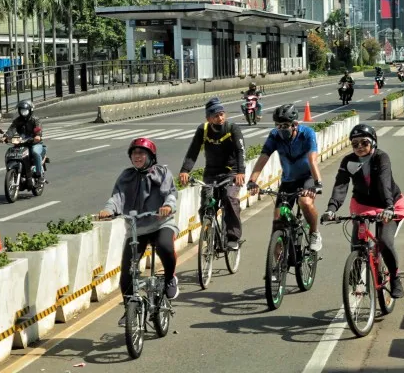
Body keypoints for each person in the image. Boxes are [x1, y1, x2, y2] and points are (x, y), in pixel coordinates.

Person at [321, 124, 404, 299]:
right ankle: (354, 268)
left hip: (389, 203)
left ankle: (394, 277)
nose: (360, 147)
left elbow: (385, 182)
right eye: (355, 144)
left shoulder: (381, 157)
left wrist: (389, 207)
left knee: (384, 240)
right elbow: (341, 185)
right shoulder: (348, 161)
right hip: (362, 204)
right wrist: (331, 208)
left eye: (364, 142)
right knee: (357, 241)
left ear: (373, 143)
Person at [98, 138, 179, 326]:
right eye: (134, 153)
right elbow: (116, 197)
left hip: (161, 223)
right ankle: (129, 310)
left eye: (142, 153)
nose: (137, 157)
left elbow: (170, 194)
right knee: (126, 272)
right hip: (137, 229)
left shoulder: (162, 172)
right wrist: (108, 210)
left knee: (166, 247)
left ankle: (169, 278)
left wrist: (167, 206)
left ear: (151, 156)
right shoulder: (125, 176)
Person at [246, 104, 324, 251]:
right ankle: (274, 271)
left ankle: (314, 233)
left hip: (307, 178)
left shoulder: (307, 134)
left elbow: (312, 159)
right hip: (288, 180)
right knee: (277, 225)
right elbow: (263, 157)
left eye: (285, 125)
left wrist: (317, 183)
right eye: (278, 125)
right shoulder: (274, 135)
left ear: (295, 124)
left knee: (305, 202)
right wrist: (252, 181)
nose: (281, 129)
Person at [179, 97, 246, 250]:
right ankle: (211, 236)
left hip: (231, 172)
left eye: (222, 114)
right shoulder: (202, 130)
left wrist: (241, 172)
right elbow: (193, 152)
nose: (220, 118)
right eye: (215, 115)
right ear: (208, 118)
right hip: (211, 173)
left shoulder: (232, 128)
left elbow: (240, 151)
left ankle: (233, 237)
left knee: (230, 198)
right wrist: (185, 170)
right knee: (206, 204)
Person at [0, 100, 46, 184]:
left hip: (34, 143)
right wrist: (5, 137)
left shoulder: (35, 120)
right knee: (12, 152)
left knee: (35, 152)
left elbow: (38, 129)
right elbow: (12, 129)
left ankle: (39, 176)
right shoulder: (18, 120)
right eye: (21, 110)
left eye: (25, 110)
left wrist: (37, 136)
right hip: (22, 142)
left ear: (30, 110)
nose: (23, 112)